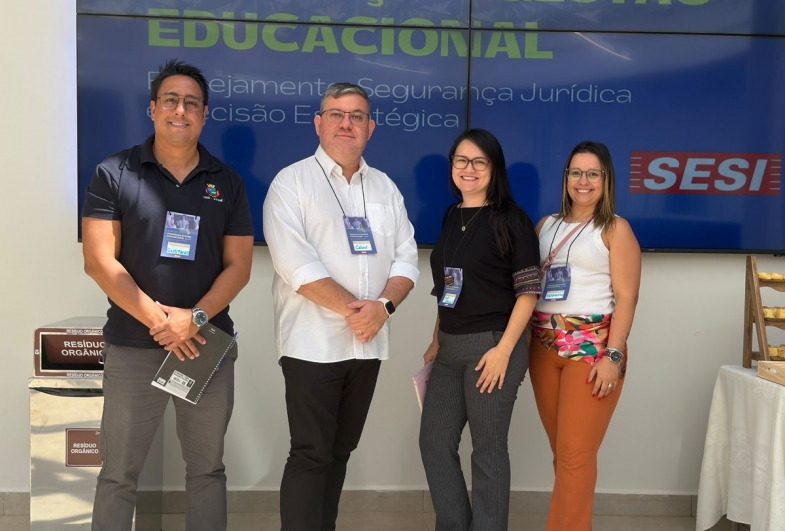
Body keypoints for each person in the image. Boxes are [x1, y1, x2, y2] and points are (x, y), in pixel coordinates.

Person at [81, 59, 254, 531]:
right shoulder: (114, 172)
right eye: (172, 101)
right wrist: (163, 323)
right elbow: (99, 260)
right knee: (118, 474)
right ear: (153, 109)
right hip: (134, 346)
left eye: (192, 103)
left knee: (206, 471)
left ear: (204, 115)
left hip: (205, 348)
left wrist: (192, 321)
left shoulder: (228, 182)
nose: (181, 110)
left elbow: (240, 267)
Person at [263, 82, 419, 531]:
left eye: (356, 116)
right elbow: (296, 266)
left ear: (371, 127)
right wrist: (361, 311)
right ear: (319, 122)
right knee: (311, 453)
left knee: (340, 451)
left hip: (367, 345)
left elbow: (408, 257)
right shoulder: (292, 182)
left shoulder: (385, 187)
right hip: (312, 343)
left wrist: (384, 307)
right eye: (336, 114)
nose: (346, 124)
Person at [419, 129, 542, 531]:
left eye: (478, 162)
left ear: (494, 168)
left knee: (487, 452)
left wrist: (505, 350)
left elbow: (528, 292)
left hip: (492, 347)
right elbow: (448, 285)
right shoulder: (452, 215)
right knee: (434, 444)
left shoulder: (512, 219)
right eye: (460, 161)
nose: (468, 169)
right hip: (450, 348)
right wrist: (437, 339)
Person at [529, 141, 641, 531]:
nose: (583, 181)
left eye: (593, 173)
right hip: (542, 347)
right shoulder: (545, 225)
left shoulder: (615, 229)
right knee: (563, 455)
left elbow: (628, 298)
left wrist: (613, 356)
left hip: (593, 351)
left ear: (606, 179)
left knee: (577, 457)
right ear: (566, 178)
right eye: (576, 172)